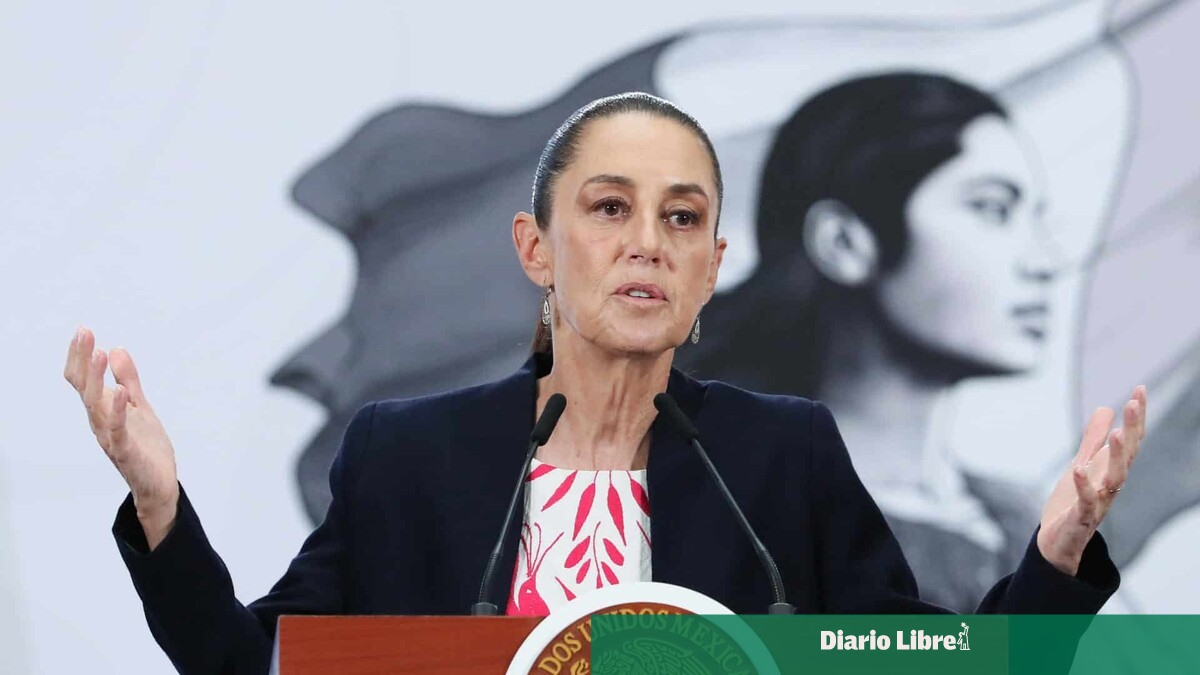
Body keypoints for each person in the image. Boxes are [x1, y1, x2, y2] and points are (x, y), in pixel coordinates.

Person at [64, 92, 1145, 674]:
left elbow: (923, 670)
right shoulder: (409, 455)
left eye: (683, 217)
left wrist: (1054, 560)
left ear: (712, 265)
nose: (648, 243)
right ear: (536, 248)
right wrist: (160, 507)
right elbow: (254, 667)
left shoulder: (782, 456)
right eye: (610, 207)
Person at [680, 73, 1081, 611]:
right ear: (844, 242)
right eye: (992, 209)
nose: (1046, 262)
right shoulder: (728, 509)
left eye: (1035, 218)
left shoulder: (1020, 519)